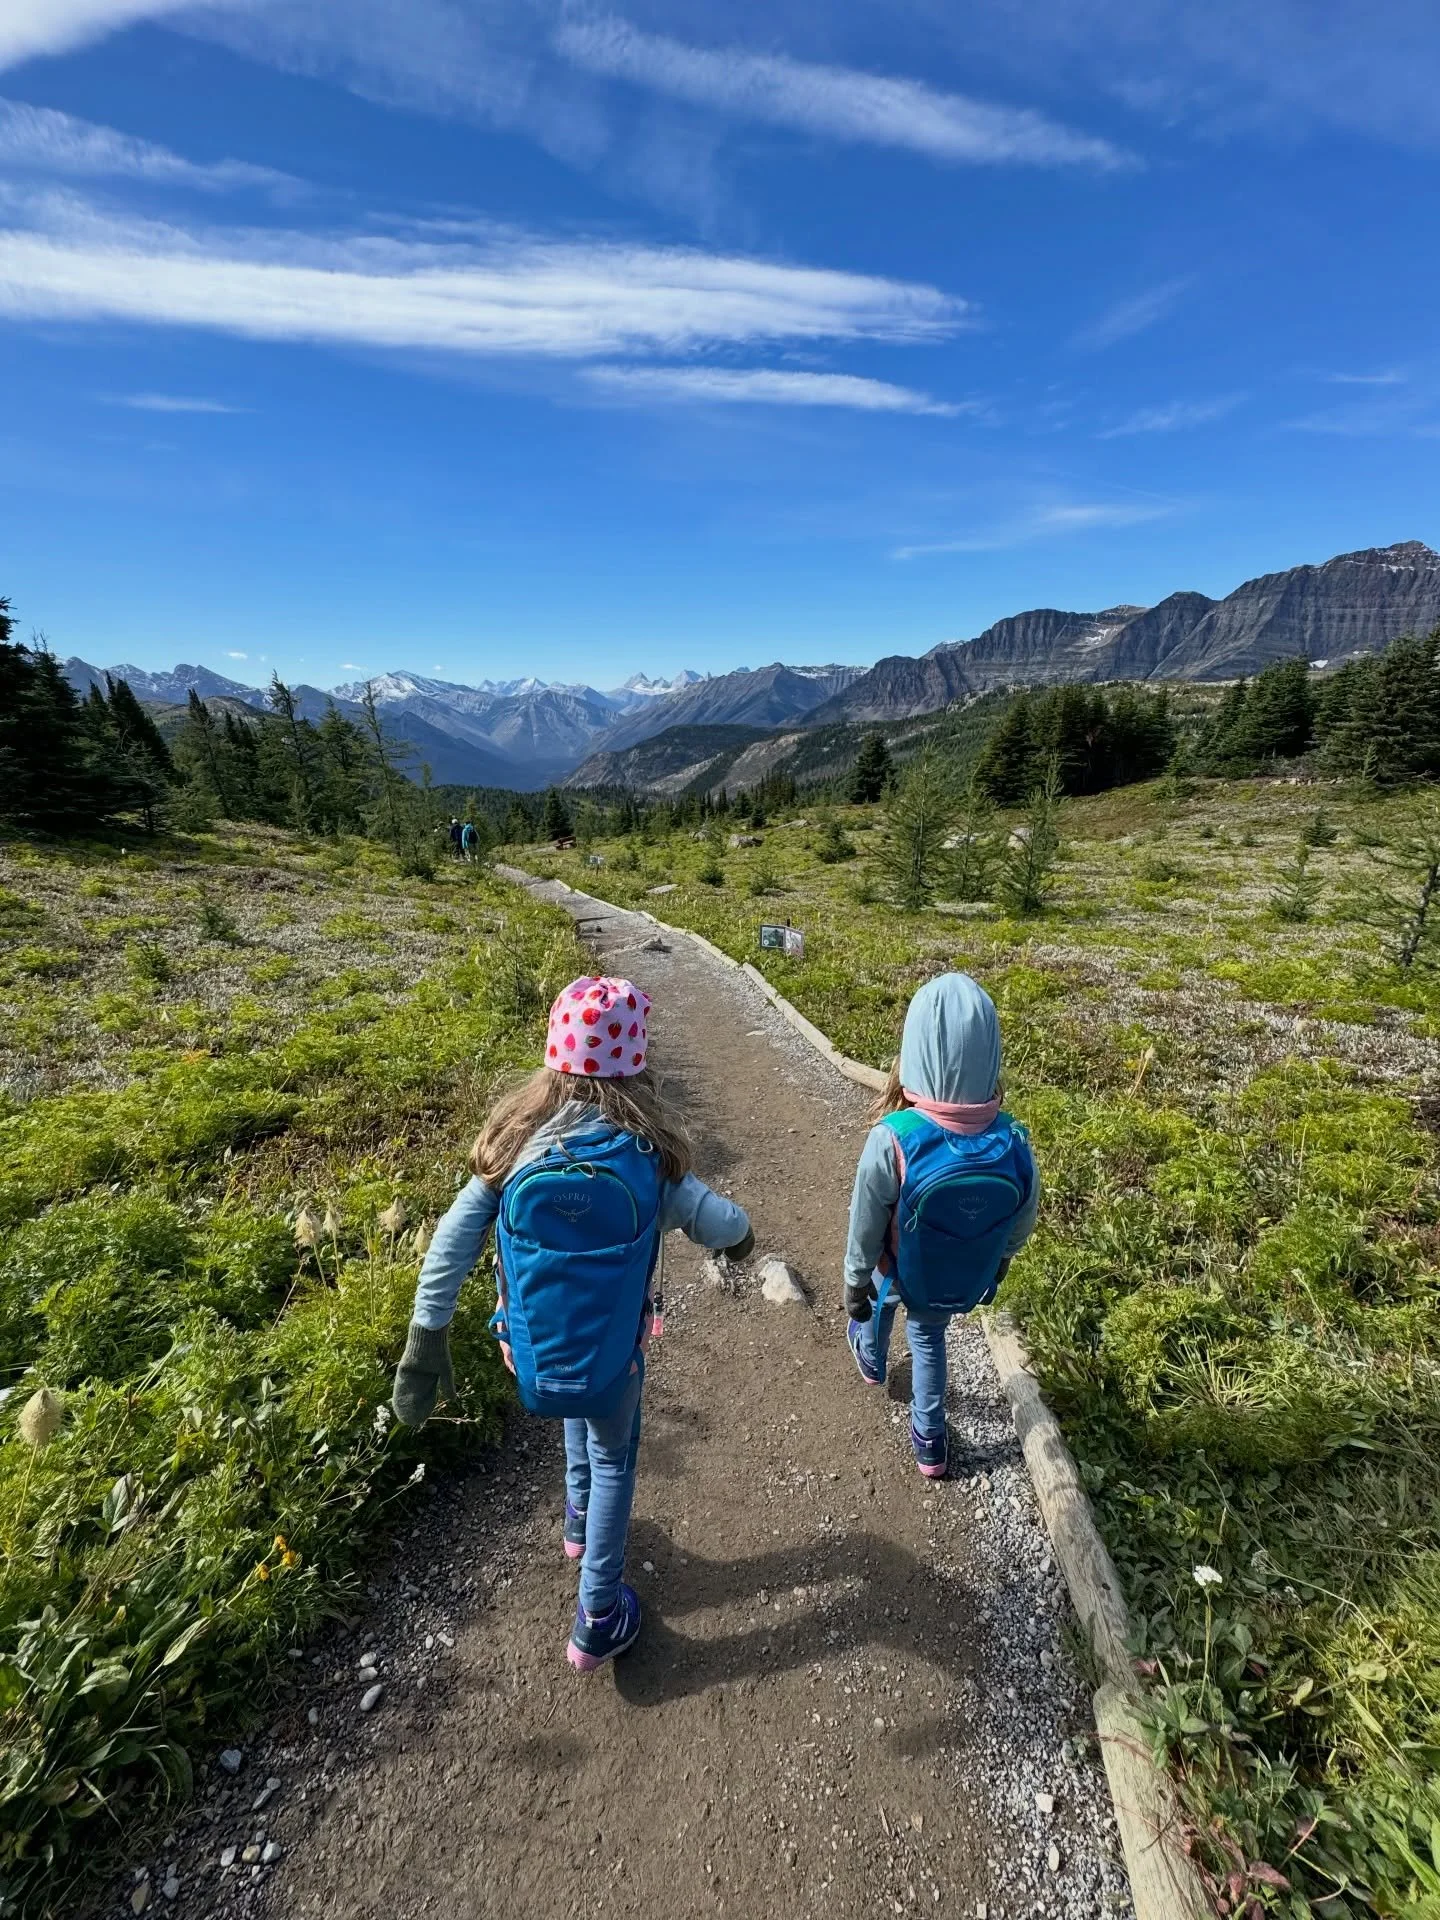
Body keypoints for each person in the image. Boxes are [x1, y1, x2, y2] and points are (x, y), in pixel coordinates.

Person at [391, 975, 754, 1671]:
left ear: (553, 1061)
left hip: (528, 1353)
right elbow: (725, 1223)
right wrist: (739, 1243)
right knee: (615, 1453)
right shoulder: (649, 1159)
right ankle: (598, 1611)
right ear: (637, 1065)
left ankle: (577, 1525)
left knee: (570, 1406)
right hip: (613, 1357)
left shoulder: (512, 1151)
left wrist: (426, 1337)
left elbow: (449, 1244)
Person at [844, 972, 1039, 1480]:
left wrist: (854, 1276)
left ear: (915, 1051)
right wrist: (1000, 1261)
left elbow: (865, 1221)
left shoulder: (894, 1137)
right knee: (929, 1339)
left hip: (895, 1266)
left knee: (879, 1302)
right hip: (953, 1279)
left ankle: (871, 1358)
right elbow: (1021, 1220)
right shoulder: (1013, 1142)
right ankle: (930, 1441)